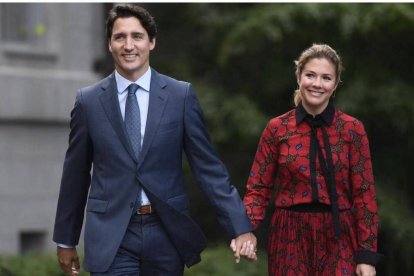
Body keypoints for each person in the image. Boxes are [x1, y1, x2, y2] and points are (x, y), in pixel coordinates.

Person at [53, 4, 256, 275]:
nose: (128, 45)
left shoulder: (180, 96)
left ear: (152, 42)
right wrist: (66, 239)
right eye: (119, 37)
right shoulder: (88, 102)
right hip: (112, 236)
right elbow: (75, 175)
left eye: (137, 36)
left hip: (166, 233)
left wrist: (240, 226)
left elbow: (208, 169)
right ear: (109, 44)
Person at [241, 44, 381, 276]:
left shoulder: (352, 129)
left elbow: (365, 195)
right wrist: (245, 229)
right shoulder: (277, 128)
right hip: (289, 235)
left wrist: (366, 255)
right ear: (299, 77)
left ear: (335, 84)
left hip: (339, 235)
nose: (317, 83)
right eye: (310, 75)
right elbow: (258, 188)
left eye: (326, 78)